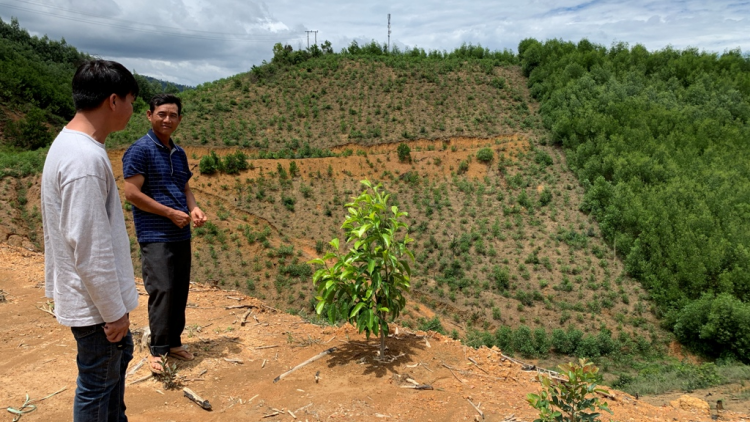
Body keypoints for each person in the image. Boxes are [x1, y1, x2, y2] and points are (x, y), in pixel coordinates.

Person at [41, 60, 140, 422]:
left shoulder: (71, 145)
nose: (133, 111)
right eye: (131, 100)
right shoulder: (83, 159)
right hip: (97, 309)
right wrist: (114, 313)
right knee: (98, 388)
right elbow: (88, 247)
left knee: (108, 384)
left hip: (96, 303)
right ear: (113, 101)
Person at [122, 93, 206, 373]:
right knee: (162, 289)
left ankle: (174, 343)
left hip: (181, 233)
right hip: (155, 233)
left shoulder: (179, 153)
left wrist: (193, 209)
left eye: (173, 115)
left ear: (179, 119)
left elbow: (185, 189)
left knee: (179, 289)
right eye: (162, 114)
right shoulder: (140, 150)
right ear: (149, 115)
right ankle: (157, 350)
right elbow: (132, 193)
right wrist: (169, 213)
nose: (167, 119)